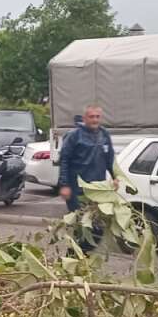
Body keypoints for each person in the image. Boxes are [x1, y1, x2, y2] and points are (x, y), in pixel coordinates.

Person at [58, 105, 116, 252]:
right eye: (91, 116)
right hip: (77, 190)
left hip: (97, 190)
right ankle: (73, 259)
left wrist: (116, 177)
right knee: (82, 226)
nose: (95, 119)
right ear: (85, 118)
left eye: (97, 116)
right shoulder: (75, 135)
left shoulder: (104, 135)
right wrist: (64, 185)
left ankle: (83, 259)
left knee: (97, 227)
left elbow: (110, 160)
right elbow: (64, 160)